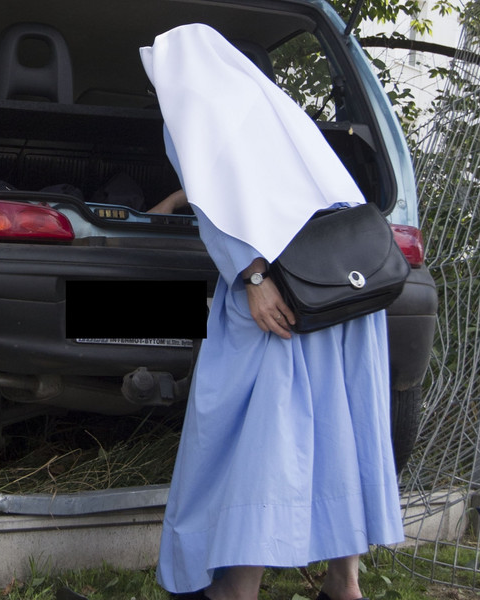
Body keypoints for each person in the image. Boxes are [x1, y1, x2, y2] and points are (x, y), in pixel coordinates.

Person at [139, 24, 404, 600]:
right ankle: (343, 583)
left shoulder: (189, 112)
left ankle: (236, 588)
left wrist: (254, 277)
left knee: (253, 439)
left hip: (288, 298)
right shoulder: (267, 102)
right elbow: (262, 179)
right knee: (340, 430)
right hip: (345, 289)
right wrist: (180, 197)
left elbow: (224, 200)